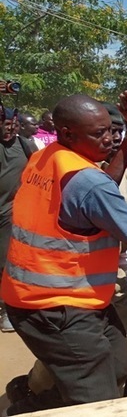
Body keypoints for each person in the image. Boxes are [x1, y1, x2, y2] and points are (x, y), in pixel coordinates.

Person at [0, 93, 127, 415]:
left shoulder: (49, 158)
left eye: (112, 131)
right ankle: (30, 408)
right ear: (67, 133)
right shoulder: (85, 179)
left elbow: (96, 191)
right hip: (54, 304)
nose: (109, 138)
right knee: (95, 397)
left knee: (117, 364)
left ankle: (36, 401)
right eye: (99, 133)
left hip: (63, 295)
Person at [0, 106, 37, 333]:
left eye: (13, 124)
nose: (9, 128)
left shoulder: (25, 146)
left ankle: (7, 309)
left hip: (10, 213)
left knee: (6, 261)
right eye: (5, 123)